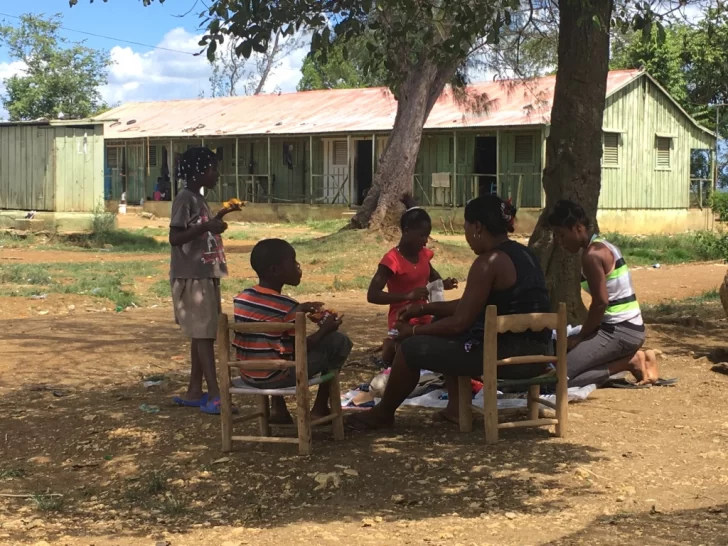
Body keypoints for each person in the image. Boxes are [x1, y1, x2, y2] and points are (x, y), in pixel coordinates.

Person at [348, 195, 552, 429]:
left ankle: (383, 413)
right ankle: (455, 409)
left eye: (465, 226)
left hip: (504, 358)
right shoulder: (524, 254)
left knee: (411, 349)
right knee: (443, 327)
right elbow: (469, 304)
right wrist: (425, 308)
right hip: (539, 354)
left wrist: (413, 331)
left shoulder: (488, 263)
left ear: (477, 227)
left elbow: (460, 322)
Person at [233, 239, 353, 424]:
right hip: (277, 378)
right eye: (292, 261)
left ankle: (278, 409)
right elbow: (300, 349)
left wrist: (301, 308)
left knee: (273, 346)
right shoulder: (287, 307)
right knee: (339, 341)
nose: (297, 266)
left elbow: (268, 331)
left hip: (248, 374)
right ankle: (320, 407)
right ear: (275, 270)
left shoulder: (242, 298)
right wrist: (325, 330)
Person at [547, 199, 658, 387]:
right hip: (627, 327)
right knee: (563, 362)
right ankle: (625, 360)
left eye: (561, 235)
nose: (560, 242)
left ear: (578, 227)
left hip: (620, 331)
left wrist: (581, 337)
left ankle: (628, 362)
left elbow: (601, 302)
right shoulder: (605, 245)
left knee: (558, 379)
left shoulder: (592, 255)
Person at [169, 146, 241, 415]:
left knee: (201, 333)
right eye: (213, 169)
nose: (217, 174)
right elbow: (175, 237)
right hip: (193, 276)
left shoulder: (199, 199)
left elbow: (200, 229)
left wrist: (219, 218)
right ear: (199, 171)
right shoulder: (184, 199)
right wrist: (206, 226)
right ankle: (214, 393)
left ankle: (194, 391)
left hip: (206, 273)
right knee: (204, 335)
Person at [366, 195, 458, 368]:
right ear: (407, 231)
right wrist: (406, 295)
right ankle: (390, 347)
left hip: (424, 313)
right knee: (411, 351)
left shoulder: (423, 254)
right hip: (402, 317)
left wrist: (442, 284)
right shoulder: (392, 260)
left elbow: (432, 275)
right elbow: (373, 295)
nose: (425, 241)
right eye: (422, 236)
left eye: (427, 236)